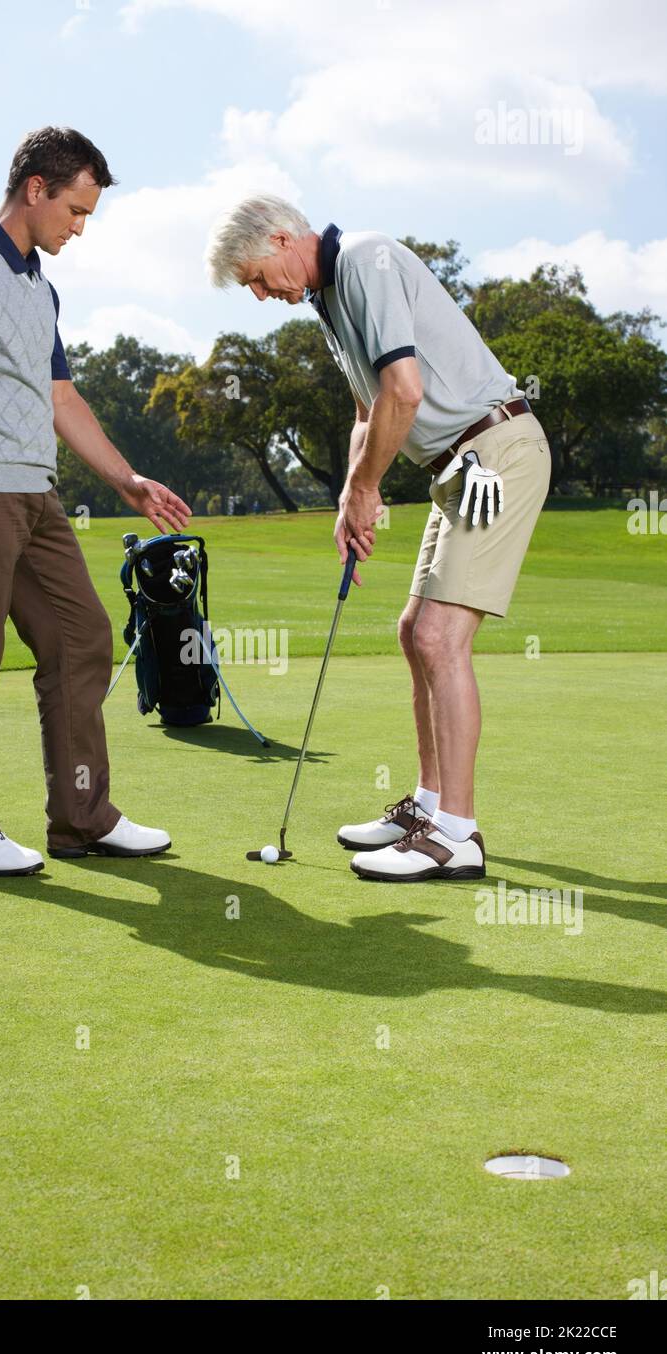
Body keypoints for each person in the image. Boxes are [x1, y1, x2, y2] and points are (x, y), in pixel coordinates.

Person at [205, 195, 551, 883]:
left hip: (495, 453)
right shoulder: (329, 298)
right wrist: (348, 497)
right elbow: (369, 406)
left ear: (281, 238)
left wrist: (369, 489)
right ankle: (427, 808)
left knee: (438, 639)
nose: (261, 294)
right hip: (459, 466)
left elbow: (406, 390)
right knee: (410, 631)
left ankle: (456, 835)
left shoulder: (366, 260)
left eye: (255, 277)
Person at [0, 126, 190, 877]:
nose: (79, 227)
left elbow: (61, 396)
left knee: (82, 640)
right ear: (36, 189)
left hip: (37, 492)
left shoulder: (40, 285)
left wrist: (125, 479)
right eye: (75, 210)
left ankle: (82, 818)